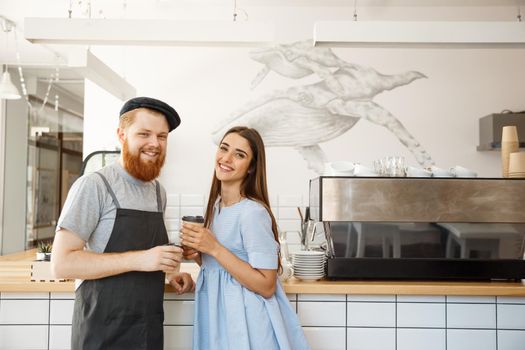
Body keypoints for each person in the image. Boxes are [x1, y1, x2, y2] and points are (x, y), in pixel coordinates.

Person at [51, 97, 194, 350]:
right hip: (101, 332)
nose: (155, 144)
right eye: (144, 134)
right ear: (121, 134)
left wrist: (171, 273)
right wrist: (140, 260)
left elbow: (151, 255)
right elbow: (62, 264)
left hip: (147, 330)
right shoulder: (94, 186)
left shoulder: (158, 193)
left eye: (162, 136)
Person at [180, 126, 310, 350]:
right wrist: (199, 255)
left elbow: (267, 285)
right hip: (219, 315)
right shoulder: (216, 208)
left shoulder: (252, 213)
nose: (227, 158)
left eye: (239, 155)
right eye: (224, 149)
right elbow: (222, 267)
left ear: (250, 167)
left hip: (247, 320)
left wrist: (214, 248)